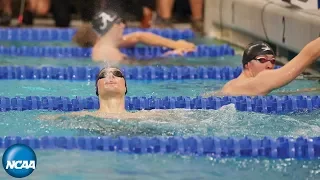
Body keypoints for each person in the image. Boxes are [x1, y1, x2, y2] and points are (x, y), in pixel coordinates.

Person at [204, 38, 320, 96]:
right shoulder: (259, 81)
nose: (269, 66)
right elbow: (307, 55)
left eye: (273, 61)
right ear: (247, 65)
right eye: (262, 60)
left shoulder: (232, 85)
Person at [72, 9, 196, 63]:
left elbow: (139, 36)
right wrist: (169, 56)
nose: (123, 26)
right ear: (108, 29)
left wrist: (175, 45)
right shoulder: (107, 52)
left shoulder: (109, 43)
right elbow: (133, 67)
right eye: (118, 23)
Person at [39, 67, 163, 120]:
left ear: (125, 87)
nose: (110, 76)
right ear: (96, 89)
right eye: (103, 75)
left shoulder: (146, 116)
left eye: (117, 74)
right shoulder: (81, 117)